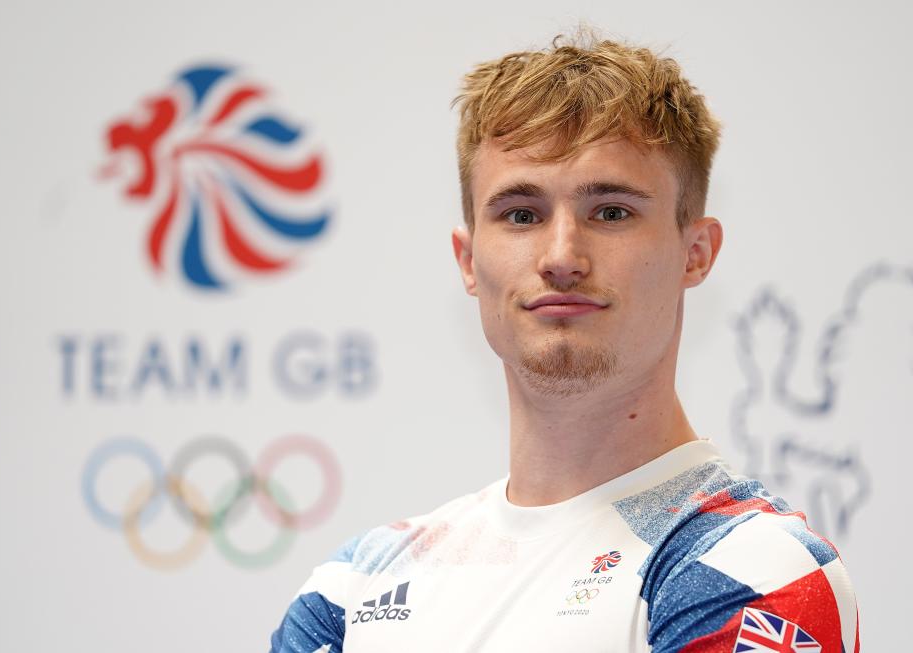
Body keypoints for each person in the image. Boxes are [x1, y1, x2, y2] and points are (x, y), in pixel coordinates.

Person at [269, 33, 859, 652]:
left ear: (696, 252)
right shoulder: (353, 589)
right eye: (521, 215)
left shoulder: (750, 566)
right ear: (468, 261)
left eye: (610, 212)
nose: (561, 257)